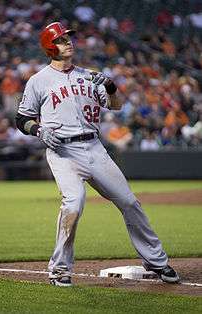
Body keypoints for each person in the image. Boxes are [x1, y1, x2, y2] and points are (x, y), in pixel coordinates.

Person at [15, 22, 179, 287]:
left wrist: (112, 88)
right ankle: (59, 270)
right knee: (74, 203)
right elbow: (21, 118)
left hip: (95, 148)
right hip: (63, 151)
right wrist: (38, 130)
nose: (68, 42)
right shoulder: (39, 81)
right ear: (49, 46)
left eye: (68, 38)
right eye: (61, 39)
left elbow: (115, 106)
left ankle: (157, 262)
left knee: (129, 202)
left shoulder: (89, 75)